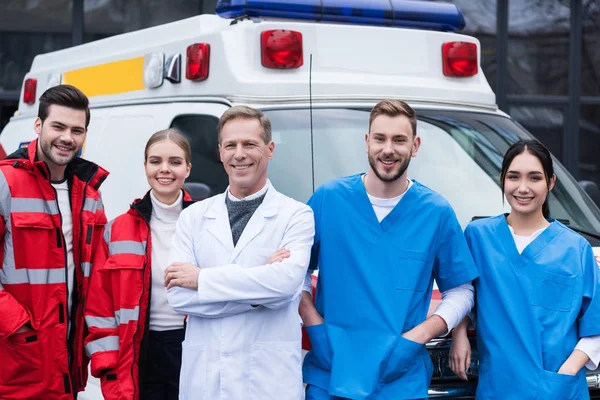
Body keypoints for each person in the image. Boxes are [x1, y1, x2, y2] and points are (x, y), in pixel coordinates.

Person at [299, 99, 479, 400]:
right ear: (367, 142)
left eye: (399, 140)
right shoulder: (328, 200)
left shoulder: (435, 212)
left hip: (399, 378)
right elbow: (295, 270)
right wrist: (312, 321)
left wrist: (419, 335)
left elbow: (461, 290)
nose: (388, 149)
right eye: (380, 138)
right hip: (331, 371)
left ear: (415, 145)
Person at [164, 105, 314, 400]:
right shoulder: (193, 217)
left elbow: (285, 285)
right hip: (206, 381)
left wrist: (202, 280)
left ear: (270, 149)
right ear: (220, 152)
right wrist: (260, 297)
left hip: (268, 383)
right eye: (230, 145)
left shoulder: (296, 215)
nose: (239, 153)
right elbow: (178, 297)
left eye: (250, 144)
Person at [449, 139, 600, 399]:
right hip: (498, 387)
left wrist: (563, 375)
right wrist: (459, 333)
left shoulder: (576, 249)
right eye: (514, 177)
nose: (523, 188)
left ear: (550, 183)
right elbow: (463, 295)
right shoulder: (478, 238)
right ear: (502, 180)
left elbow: (595, 327)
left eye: (534, 178)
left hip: (558, 390)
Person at [0, 84, 108, 399]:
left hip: (69, 366)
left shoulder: (90, 194)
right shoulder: (6, 183)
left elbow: (96, 278)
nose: (67, 137)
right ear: (38, 126)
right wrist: (21, 329)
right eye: (58, 126)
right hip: (17, 364)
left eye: (77, 130)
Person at [84, 129, 194, 400]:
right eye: (155, 161)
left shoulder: (208, 222)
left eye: (175, 162)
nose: (164, 169)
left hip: (194, 346)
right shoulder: (117, 229)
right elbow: (99, 304)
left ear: (188, 169)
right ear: (145, 166)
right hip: (138, 352)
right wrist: (108, 365)